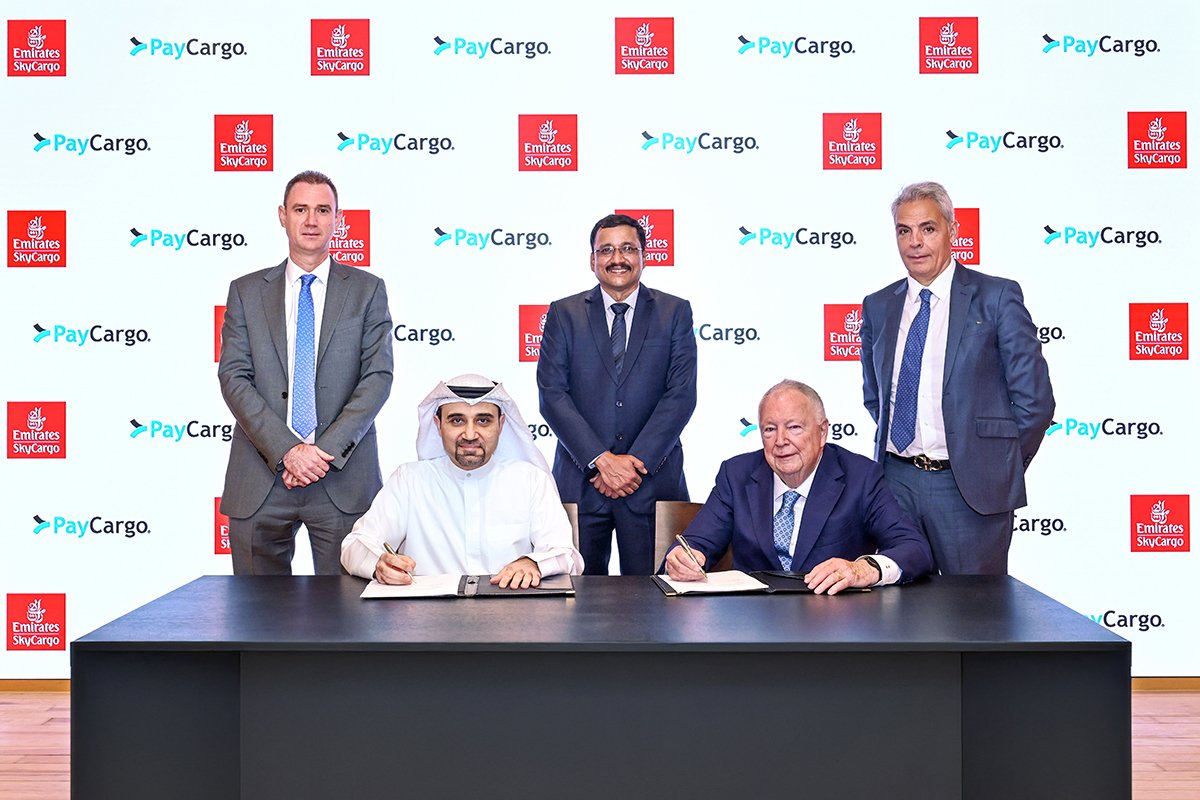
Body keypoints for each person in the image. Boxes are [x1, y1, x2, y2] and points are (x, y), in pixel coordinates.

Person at [860, 181, 1054, 575]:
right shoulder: (878, 305)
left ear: (952, 230)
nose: (915, 242)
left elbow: (1035, 401)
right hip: (895, 483)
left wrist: (999, 465)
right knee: (898, 606)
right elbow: (875, 396)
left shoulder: (996, 297)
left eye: (928, 228)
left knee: (975, 610)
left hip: (970, 490)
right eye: (904, 230)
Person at [218, 170, 393, 575]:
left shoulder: (367, 290)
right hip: (261, 477)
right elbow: (234, 377)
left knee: (348, 611)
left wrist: (320, 454)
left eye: (322, 210)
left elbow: (377, 378)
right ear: (283, 215)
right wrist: (288, 451)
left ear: (338, 219)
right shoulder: (245, 291)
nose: (311, 220)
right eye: (300, 209)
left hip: (342, 479)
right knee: (256, 611)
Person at [537, 213, 698, 575]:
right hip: (582, 482)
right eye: (606, 250)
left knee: (657, 600)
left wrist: (634, 463)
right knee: (575, 600)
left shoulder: (675, 312)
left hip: (652, 482)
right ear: (592, 259)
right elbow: (552, 394)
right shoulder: (564, 314)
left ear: (644, 256)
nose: (617, 258)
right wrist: (601, 461)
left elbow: (681, 394)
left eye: (628, 248)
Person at [665, 380, 932, 594]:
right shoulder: (736, 475)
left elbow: (914, 548)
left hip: (834, 621)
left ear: (822, 432)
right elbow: (696, 543)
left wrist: (864, 569)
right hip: (753, 623)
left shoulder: (860, 476)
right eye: (770, 429)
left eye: (794, 427)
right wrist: (682, 559)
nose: (781, 441)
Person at [341, 374, 583, 588]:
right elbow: (356, 544)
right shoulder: (409, 480)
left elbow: (567, 555)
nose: (469, 434)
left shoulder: (531, 480)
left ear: (501, 424)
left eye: (483, 420)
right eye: (457, 420)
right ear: (438, 425)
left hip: (510, 615)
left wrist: (533, 563)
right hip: (425, 617)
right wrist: (379, 564)